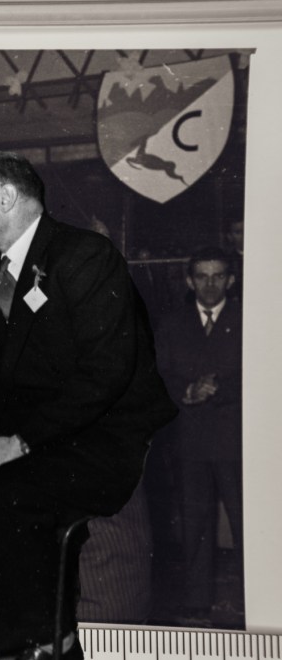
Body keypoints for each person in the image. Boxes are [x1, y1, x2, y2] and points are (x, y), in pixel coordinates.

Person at [0, 151, 177, 660]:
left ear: (5, 197)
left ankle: (40, 646)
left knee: (7, 493)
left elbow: (105, 373)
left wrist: (18, 443)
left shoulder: (85, 256)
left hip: (101, 437)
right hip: (40, 437)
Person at [155, 247, 243, 621]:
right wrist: (186, 391)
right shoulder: (172, 324)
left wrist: (218, 389)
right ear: (190, 282)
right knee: (195, 523)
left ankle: (251, 598)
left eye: (218, 276)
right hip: (190, 441)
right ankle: (196, 603)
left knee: (245, 521)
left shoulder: (248, 319)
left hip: (236, 441)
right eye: (202, 276)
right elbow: (160, 375)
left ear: (231, 280)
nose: (210, 284)